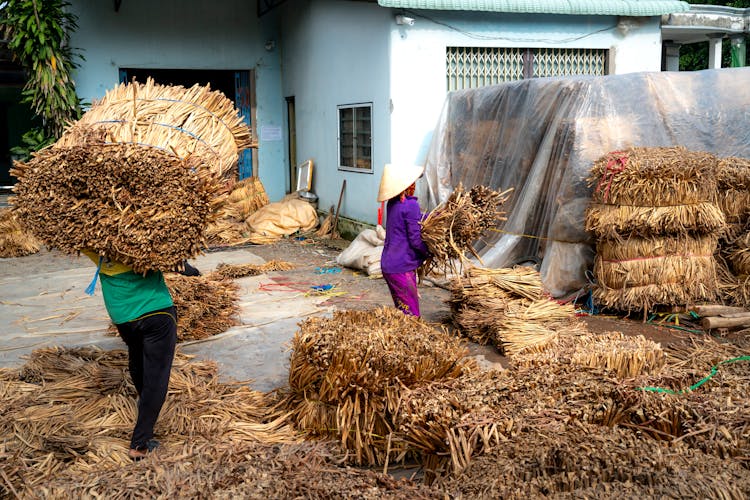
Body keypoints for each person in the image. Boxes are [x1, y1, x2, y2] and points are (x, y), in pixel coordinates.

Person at [83, 251, 199, 460]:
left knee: (137, 359)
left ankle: (145, 405)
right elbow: (165, 257)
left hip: (123, 316)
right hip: (156, 311)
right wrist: (187, 268)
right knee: (157, 376)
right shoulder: (139, 247)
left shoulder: (95, 247)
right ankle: (140, 444)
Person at [377, 163, 430, 316]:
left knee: (403, 312)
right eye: (411, 183)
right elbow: (415, 240)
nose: (413, 185)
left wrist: (433, 217)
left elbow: (414, 219)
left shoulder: (393, 203)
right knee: (411, 316)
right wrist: (427, 252)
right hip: (401, 267)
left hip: (389, 265)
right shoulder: (411, 205)